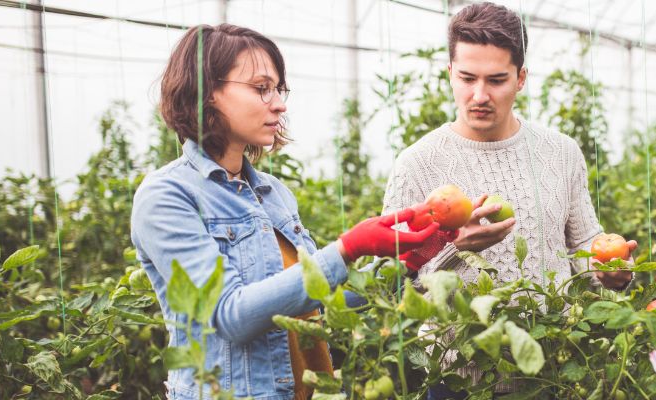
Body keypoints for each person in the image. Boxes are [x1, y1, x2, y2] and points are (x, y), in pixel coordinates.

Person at [130, 24, 439, 400]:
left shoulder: (273, 194)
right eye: (261, 88)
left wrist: (409, 259)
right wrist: (347, 249)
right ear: (207, 92)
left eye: (278, 89)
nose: (279, 103)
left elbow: (319, 304)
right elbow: (232, 316)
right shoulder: (167, 196)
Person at [380, 2, 634, 397]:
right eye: (467, 78)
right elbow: (394, 286)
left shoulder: (561, 153)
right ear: (449, 73)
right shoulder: (417, 165)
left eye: (496, 80)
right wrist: (454, 249)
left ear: (521, 78)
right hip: (458, 380)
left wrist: (612, 269)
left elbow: (586, 242)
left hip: (551, 369)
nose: (479, 95)